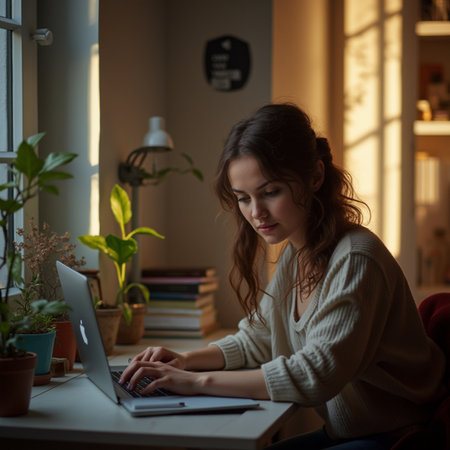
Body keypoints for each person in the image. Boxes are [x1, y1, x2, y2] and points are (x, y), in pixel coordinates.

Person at [119, 103, 448, 449]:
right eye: (243, 199)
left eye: (270, 192)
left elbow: (314, 374)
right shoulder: (297, 252)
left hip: (399, 439)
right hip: (351, 434)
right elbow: (259, 338)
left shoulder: (355, 259)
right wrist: (185, 360)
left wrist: (195, 382)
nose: (256, 213)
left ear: (316, 177)